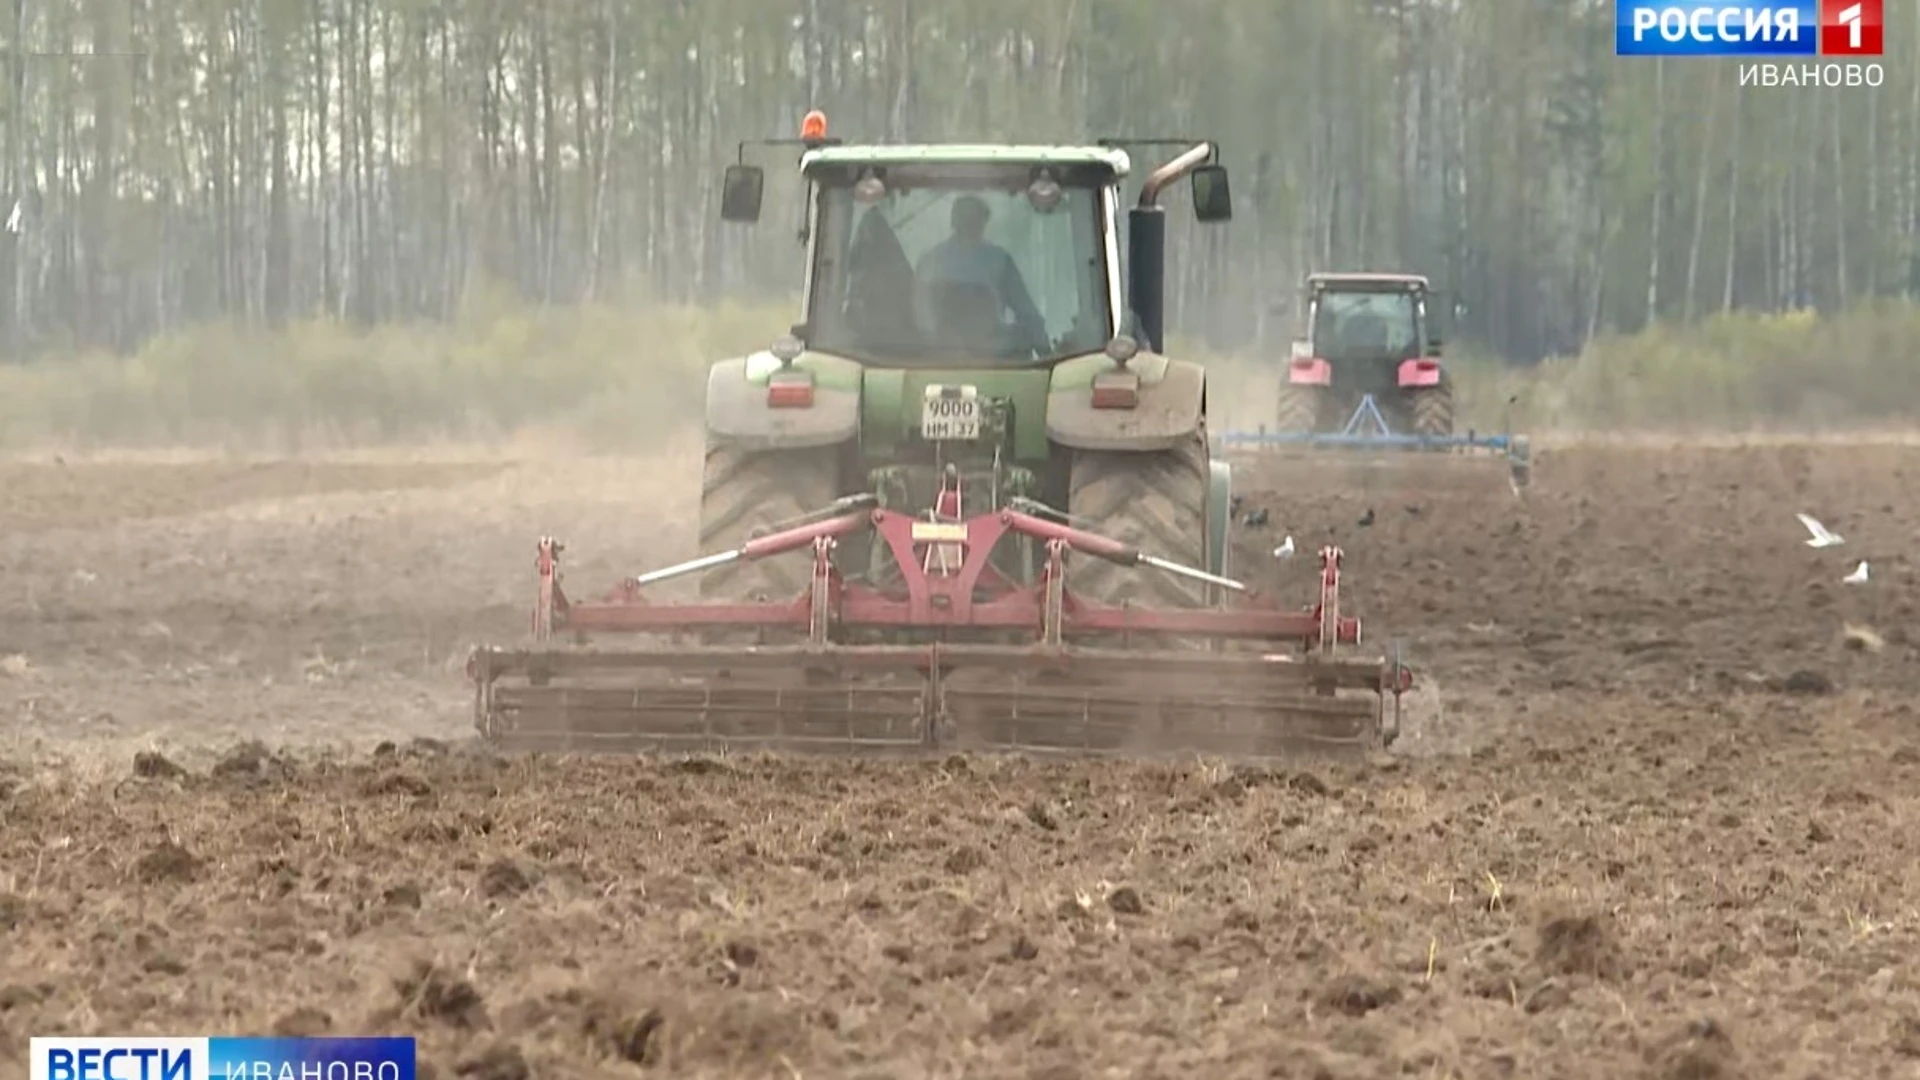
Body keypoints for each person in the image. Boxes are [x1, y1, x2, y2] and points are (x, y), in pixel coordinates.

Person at [914, 195, 1048, 353]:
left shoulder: (998, 260)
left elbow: (1028, 315)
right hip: (960, 357)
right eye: (967, 218)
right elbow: (920, 317)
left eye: (972, 218)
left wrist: (1043, 348)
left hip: (978, 357)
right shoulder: (998, 260)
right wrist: (1045, 351)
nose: (970, 224)